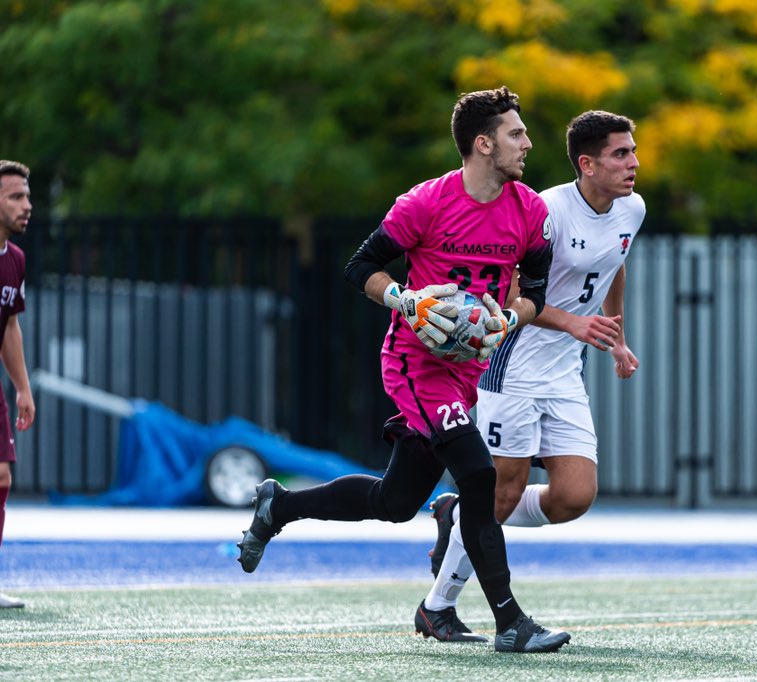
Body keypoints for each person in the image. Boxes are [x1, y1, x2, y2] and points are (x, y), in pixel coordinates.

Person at [236, 86, 570, 653]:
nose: (528, 143)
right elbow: (359, 266)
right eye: (517, 133)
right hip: (415, 363)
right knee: (479, 475)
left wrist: (507, 320)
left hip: (467, 369)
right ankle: (511, 622)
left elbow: (534, 290)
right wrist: (405, 298)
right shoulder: (425, 202)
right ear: (483, 144)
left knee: (395, 504)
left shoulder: (531, 212)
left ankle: (279, 506)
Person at [415, 110, 644, 640]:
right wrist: (573, 323)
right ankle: (437, 608)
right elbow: (511, 294)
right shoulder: (545, 211)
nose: (633, 163)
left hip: (565, 371)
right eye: (620, 153)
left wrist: (618, 339)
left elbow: (615, 262)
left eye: (632, 151)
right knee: (499, 494)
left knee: (573, 497)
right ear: (587, 164)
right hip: (512, 363)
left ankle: (458, 513)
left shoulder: (633, 208)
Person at [0, 160, 37, 609]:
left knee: (1, 476)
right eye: (15, 197)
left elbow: (9, 326)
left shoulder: (16, 260)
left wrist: (22, 388)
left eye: (27, 197)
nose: (27, 205)